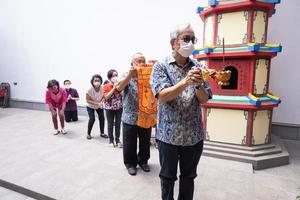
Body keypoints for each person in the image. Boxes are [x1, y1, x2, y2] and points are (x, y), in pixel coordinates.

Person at [150, 23, 212, 200]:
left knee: (188, 177)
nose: (190, 43)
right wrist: (185, 82)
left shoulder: (199, 67)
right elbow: (162, 96)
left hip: (193, 135)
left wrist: (198, 83)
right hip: (168, 135)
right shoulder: (160, 66)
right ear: (173, 43)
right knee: (167, 177)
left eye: (193, 39)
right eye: (186, 39)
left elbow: (204, 99)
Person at [116, 53, 152, 176]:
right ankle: (130, 164)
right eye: (138, 61)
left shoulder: (149, 75)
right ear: (132, 64)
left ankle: (143, 161)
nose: (142, 63)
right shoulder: (126, 75)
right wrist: (130, 76)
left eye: (143, 60)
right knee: (129, 141)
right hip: (129, 115)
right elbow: (119, 88)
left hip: (145, 114)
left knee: (145, 140)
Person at [103, 69, 123, 148]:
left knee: (118, 124)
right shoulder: (106, 86)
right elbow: (106, 97)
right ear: (109, 77)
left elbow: (123, 95)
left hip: (119, 108)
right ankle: (111, 140)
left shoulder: (120, 84)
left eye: (116, 75)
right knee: (110, 124)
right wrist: (113, 88)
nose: (115, 77)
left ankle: (117, 140)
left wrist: (118, 87)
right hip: (109, 108)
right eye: (113, 75)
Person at [86, 74, 108, 140]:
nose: (97, 82)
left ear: (101, 81)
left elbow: (104, 97)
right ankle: (88, 134)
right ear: (92, 81)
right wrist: (97, 103)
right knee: (92, 119)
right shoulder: (89, 90)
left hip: (99, 105)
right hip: (90, 106)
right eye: (95, 80)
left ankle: (102, 133)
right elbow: (87, 100)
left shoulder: (103, 88)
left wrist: (101, 102)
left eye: (98, 80)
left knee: (102, 118)